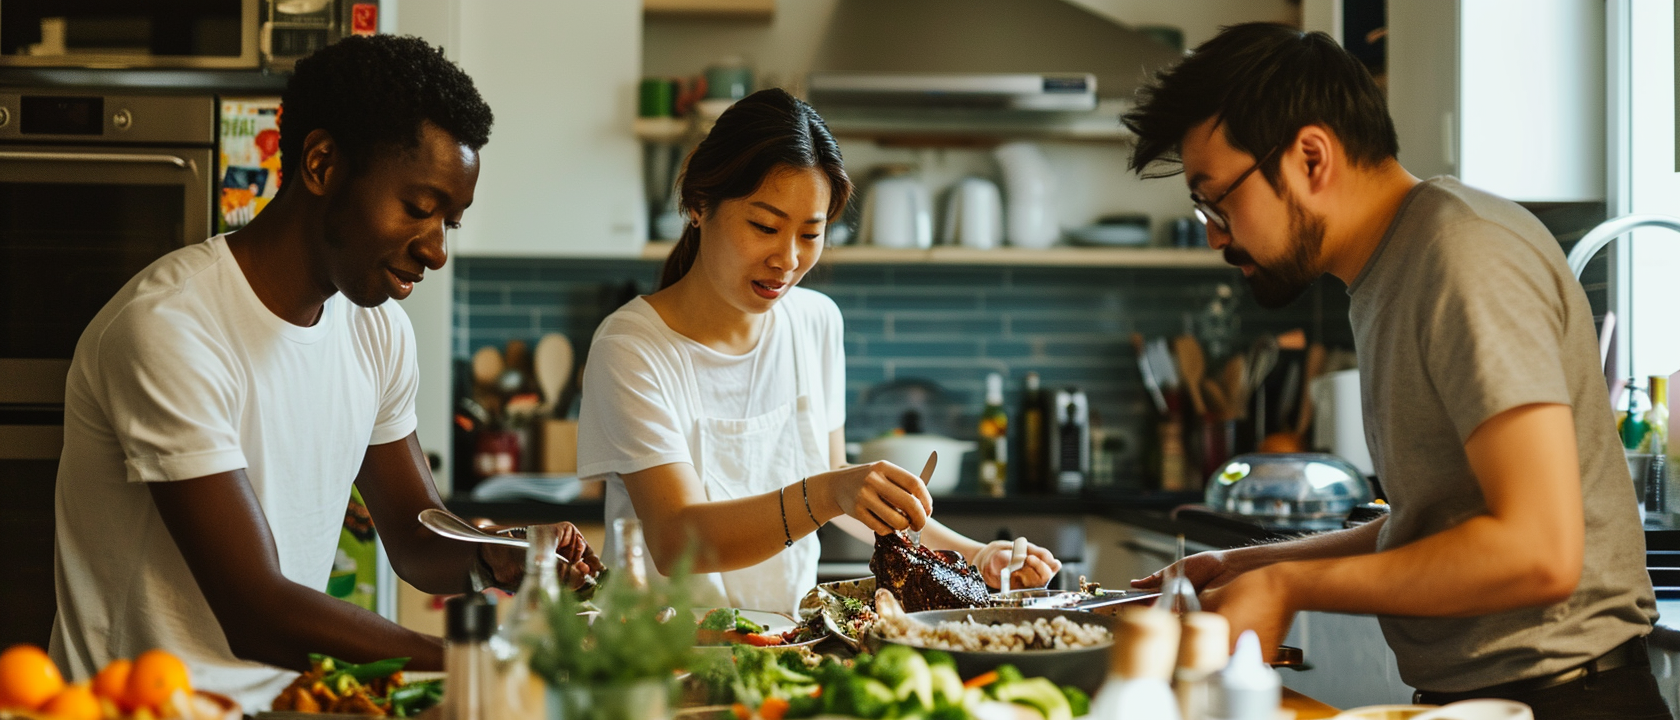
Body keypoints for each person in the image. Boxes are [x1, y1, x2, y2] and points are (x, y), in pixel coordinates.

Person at [1123, 23, 1668, 719]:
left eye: (1218, 199)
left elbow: (1539, 551)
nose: (1214, 233)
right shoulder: (1391, 272)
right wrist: (1247, 568)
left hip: (1567, 703)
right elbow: (1437, 526)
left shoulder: (1462, 255)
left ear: (1311, 157)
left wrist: (1291, 588)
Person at [50, 35, 601, 711]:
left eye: (450, 223)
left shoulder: (376, 332)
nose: (436, 250)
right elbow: (256, 610)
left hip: (289, 705)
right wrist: (472, 663)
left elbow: (412, 536)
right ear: (321, 163)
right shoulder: (171, 329)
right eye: (420, 209)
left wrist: (497, 552)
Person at [576, 88, 1062, 616]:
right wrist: (828, 492)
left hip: (786, 644)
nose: (787, 259)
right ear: (699, 204)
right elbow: (676, 540)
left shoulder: (814, 321)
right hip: (658, 656)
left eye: (811, 233)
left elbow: (839, 483)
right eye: (764, 226)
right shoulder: (631, 348)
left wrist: (974, 555)